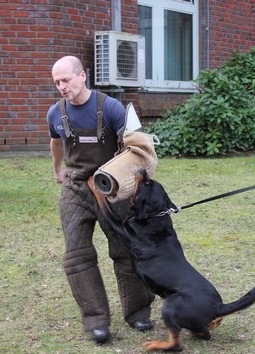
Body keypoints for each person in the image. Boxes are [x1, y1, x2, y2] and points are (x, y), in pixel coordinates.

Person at [46, 56, 155, 344]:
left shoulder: (111, 108)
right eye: (57, 82)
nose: (61, 86)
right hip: (76, 188)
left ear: (83, 76)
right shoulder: (55, 114)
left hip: (111, 187)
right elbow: (56, 142)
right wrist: (57, 169)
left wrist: (135, 181)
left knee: (125, 250)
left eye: (66, 79)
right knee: (77, 254)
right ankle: (96, 321)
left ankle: (138, 312)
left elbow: (136, 147)